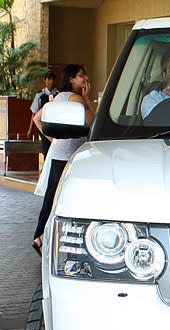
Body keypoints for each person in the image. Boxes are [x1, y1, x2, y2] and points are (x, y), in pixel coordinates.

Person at [31, 64, 96, 255]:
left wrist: (53, 139)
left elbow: (37, 118)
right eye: (80, 76)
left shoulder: (59, 97)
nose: (85, 79)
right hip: (71, 155)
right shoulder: (76, 98)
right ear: (71, 80)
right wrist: (86, 99)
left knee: (52, 196)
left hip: (59, 152)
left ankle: (40, 236)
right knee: (64, 196)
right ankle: (43, 238)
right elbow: (93, 122)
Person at [27, 70, 59, 158]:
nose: (51, 82)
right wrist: (30, 129)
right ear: (45, 80)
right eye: (49, 79)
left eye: (53, 79)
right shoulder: (40, 95)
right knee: (46, 147)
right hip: (44, 126)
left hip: (55, 126)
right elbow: (34, 112)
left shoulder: (58, 94)